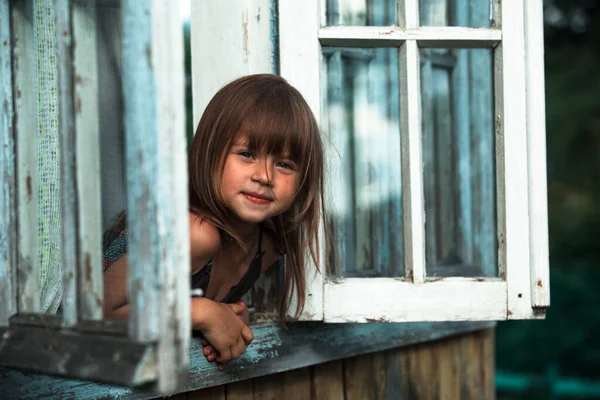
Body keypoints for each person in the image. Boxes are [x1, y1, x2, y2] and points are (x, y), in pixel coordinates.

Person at [102, 74, 327, 371]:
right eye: (247, 154)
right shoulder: (192, 232)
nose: (265, 176)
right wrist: (201, 313)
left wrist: (229, 317)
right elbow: (96, 313)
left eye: (284, 164)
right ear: (210, 152)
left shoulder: (267, 246)